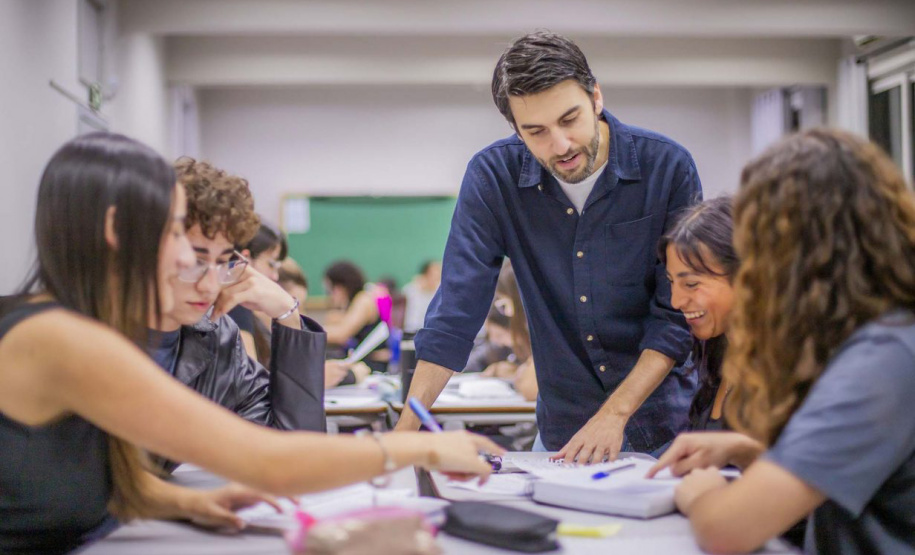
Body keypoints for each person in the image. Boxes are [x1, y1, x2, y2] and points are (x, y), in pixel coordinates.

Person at [0, 132, 502, 554]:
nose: (191, 264)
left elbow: (91, 472)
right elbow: (269, 462)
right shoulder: (59, 338)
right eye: (175, 232)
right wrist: (421, 448)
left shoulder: (78, 325)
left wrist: (182, 501)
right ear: (116, 229)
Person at [397, 31, 701, 464]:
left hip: (663, 426)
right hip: (564, 431)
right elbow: (456, 313)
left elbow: (674, 315)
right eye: (535, 131)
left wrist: (615, 413)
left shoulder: (666, 167)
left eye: (569, 119)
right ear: (515, 129)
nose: (559, 146)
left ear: (596, 97)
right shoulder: (493, 179)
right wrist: (404, 435)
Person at [649, 129, 915, 554]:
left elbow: (725, 531)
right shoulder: (880, 336)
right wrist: (749, 450)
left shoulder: (882, 360)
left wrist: (701, 494)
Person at [148, 158, 326, 464]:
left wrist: (288, 314)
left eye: (222, 263)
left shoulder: (216, 336)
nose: (210, 285)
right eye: (197, 262)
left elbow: (294, 453)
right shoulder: (92, 333)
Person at [657, 197, 737, 435]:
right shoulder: (714, 359)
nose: (676, 301)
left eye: (691, 284)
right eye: (672, 283)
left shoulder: (792, 376)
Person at [228, 222, 288, 365]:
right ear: (245, 259)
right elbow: (249, 380)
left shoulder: (250, 309)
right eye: (271, 264)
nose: (275, 277)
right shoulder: (236, 304)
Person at [323, 260, 391, 374]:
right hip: (364, 364)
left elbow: (341, 334)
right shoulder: (354, 302)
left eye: (330, 290)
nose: (331, 296)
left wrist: (305, 330)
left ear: (341, 287)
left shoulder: (363, 299)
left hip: (373, 367)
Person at [402, 260, 442, 333]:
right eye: (434, 273)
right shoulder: (412, 289)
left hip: (431, 331)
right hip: (411, 331)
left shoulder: (439, 292)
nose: (438, 275)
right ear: (425, 274)